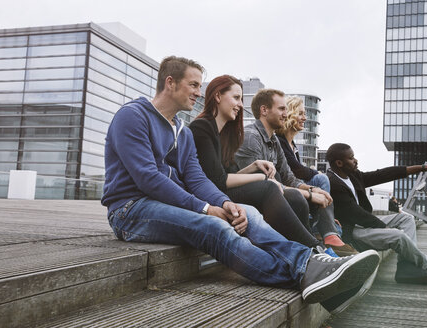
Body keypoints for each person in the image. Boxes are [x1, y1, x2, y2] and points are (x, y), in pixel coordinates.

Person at [100, 56, 380, 306]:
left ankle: (316, 269)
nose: (200, 93)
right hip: (131, 210)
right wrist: (207, 209)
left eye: (200, 86)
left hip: (165, 205)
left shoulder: (182, 133)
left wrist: (224, 202)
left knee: (251, 213)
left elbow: (197, 179)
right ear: (170, 83)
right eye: (194, 85)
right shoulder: (133, 116)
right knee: (214, 227)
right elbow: (148, 178)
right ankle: (307, 270)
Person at [190, 75, 323, 250]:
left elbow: (226, 175)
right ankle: (313, 249)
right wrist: (261, 178)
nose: (239, 105)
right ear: (217, 97)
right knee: (268, 188)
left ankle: (309, 251)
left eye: (241, 99)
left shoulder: (224, 133)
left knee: (295, 197)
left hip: (220, 190)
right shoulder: (202, 127)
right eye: (236, 98)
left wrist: (254, 167)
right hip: (210, 197)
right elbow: (218, 180)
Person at [235, 89, 357, 257]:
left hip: (270, 192)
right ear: (264, 110)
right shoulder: (250, 136)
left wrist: (313, 190)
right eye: (281, 109)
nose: (286, 114)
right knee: (296, 198)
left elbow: (289, 177)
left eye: (286, 109)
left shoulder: (274, 140)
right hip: (247, 196)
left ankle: (321, 246)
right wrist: (309, 194)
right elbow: (257, 183)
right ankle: (315, 250)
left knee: (309, 193)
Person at [325, 143, 427, 285]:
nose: (356, 160)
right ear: (339, 163)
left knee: (406, 219)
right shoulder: (333, 183)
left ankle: (406, 267)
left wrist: (423, 168)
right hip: (352, 231)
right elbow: (358, 214)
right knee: (398, 235)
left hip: (363, 224)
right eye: (351, 158)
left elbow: (383, 174)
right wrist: (385, 228)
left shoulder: (352, 175)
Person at [275, 95, 330, 192]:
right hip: (285, 186)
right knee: (322, 179)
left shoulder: (291, 143)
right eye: (300, 114)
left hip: (295, 183)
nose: (304, 118)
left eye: (305, 114)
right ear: (289, 115)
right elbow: (298, 170)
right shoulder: (280, 141)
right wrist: (317, 172)